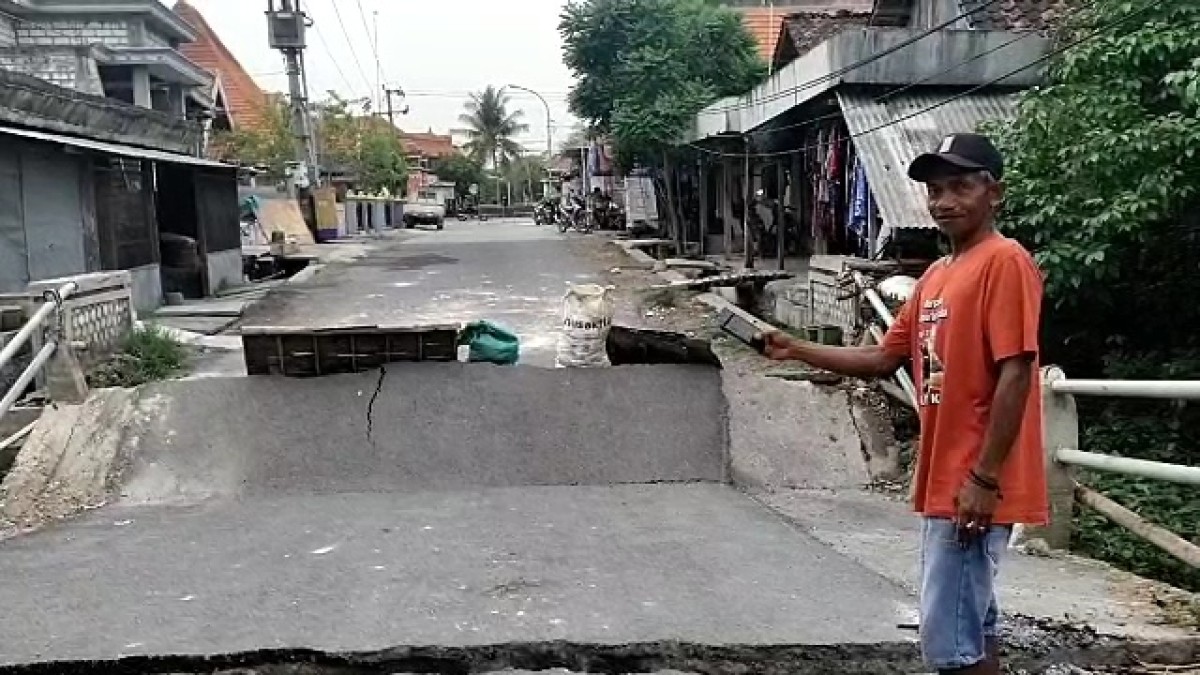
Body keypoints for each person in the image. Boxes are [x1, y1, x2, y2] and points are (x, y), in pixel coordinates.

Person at [761, 133, 1048, 675]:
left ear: (994, 193)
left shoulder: (1004, 262)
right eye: (935, 190)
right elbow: (882, 358)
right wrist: (795, 348)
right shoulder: (936, 276)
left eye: (960, 187)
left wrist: (984, 478)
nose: (945, 201)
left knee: (949, 641)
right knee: (972, 625)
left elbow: (1017, 371)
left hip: (973, 482)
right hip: (949, 476)